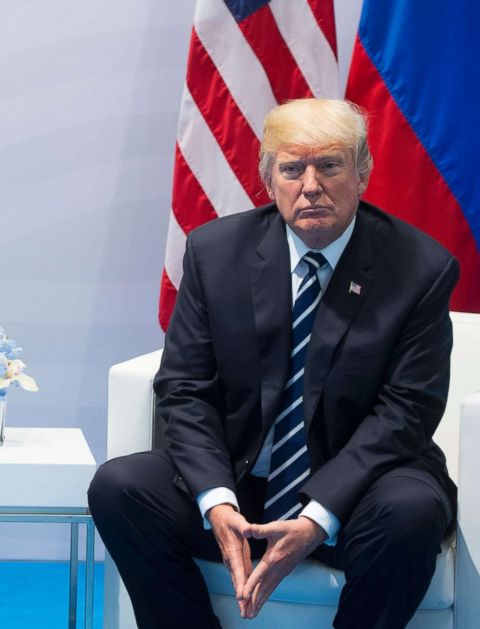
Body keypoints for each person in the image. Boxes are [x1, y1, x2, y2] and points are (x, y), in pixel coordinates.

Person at [88, 98, 457, 628]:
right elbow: (185, 388)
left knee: (412, 511)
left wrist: (317, 515)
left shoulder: (420, 268)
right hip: (241, 481)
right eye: (292, 169)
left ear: (363, 175)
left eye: (329, 165)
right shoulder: (216, 252)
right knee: (120, 486)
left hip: (358, 490)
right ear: (269, 180)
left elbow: (406, 412)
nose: (311, 185)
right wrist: (216, 502)